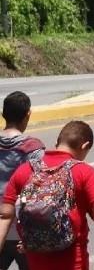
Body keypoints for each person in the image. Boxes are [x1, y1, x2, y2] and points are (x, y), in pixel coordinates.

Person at [1, 121, 94, 270]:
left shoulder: (25, 170)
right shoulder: (83, 171)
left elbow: (5, 216)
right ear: (84, 146)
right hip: (72, 262)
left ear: (57, 142)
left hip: (35, 262)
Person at [0, 92, 44, 270]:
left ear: (3, 114)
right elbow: (39, 191)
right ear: (28, 115)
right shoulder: (34, 149)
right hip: (23, 234)